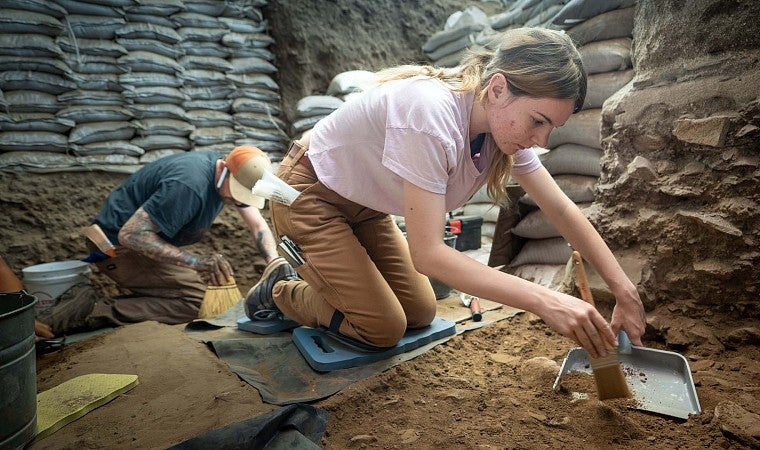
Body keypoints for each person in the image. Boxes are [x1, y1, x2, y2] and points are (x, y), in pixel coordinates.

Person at [245, 27, 646, 358]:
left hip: (364, 207)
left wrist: (623, 291)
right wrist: (545, 301)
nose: (541, 139)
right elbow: (429, 254)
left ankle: (327, 279)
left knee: (420, 312)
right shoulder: (430, 115)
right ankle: (281, 288)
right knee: (381, 327)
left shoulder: (497, 132)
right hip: (309, 197)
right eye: (538, 121)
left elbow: (559, 209)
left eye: (551, 129)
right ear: (498, 89)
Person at [43, 147, 279, 335]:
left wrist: (274, 262)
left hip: (139, 244)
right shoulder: (188, 186)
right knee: (196, 302)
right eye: (237, 192)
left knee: (187, 288)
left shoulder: (231, 175)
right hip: (115, 246)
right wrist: (197, 262)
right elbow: (132, 235)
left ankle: (141, 300)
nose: (237, 200)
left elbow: (258, 226)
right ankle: (91, 309)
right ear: (225, 169)